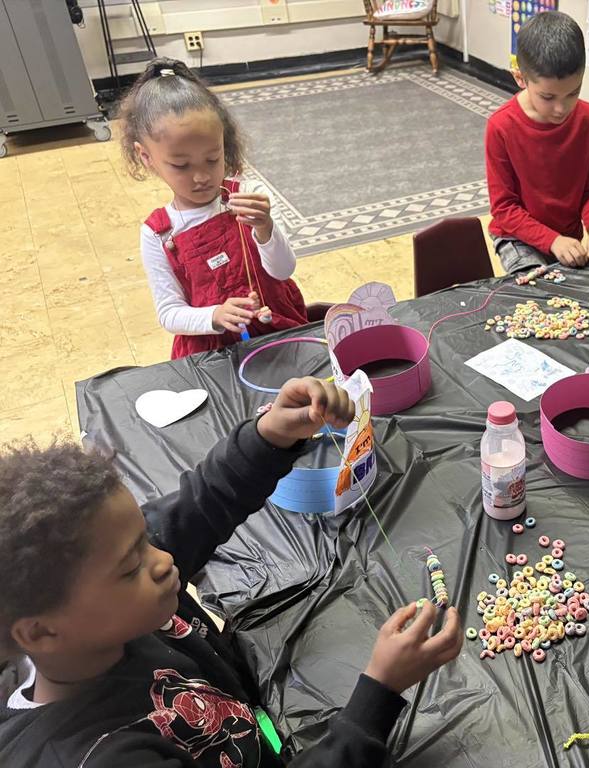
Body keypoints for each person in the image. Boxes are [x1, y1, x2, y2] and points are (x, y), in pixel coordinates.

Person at [0, 377, 462, 767]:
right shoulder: (109, 756)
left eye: (144, 539)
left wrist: (272, 434)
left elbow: (198, 507)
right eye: (131, 566)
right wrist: (378, 694)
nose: (162, 560)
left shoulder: (104, 611)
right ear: (41, 633)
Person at [120, 57, 309, 359]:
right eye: (181, 165)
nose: (202, 176)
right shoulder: (159, 233)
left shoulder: (246, 194)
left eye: (212, 158)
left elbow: (284, 270)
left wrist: (265, 229)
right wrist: (214, 316)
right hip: (211, 353)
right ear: (146, 157)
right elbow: (169, 313)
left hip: (277, 332)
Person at [485, 11, 589, 274]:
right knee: (536, 292)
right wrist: (552, 240)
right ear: (520, 78)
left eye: (573, 93)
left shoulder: (588, 119)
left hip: (568, 237)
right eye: (547, 96)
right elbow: (504, 209)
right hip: (517, 237)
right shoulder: (501, 127)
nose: (561, 108)